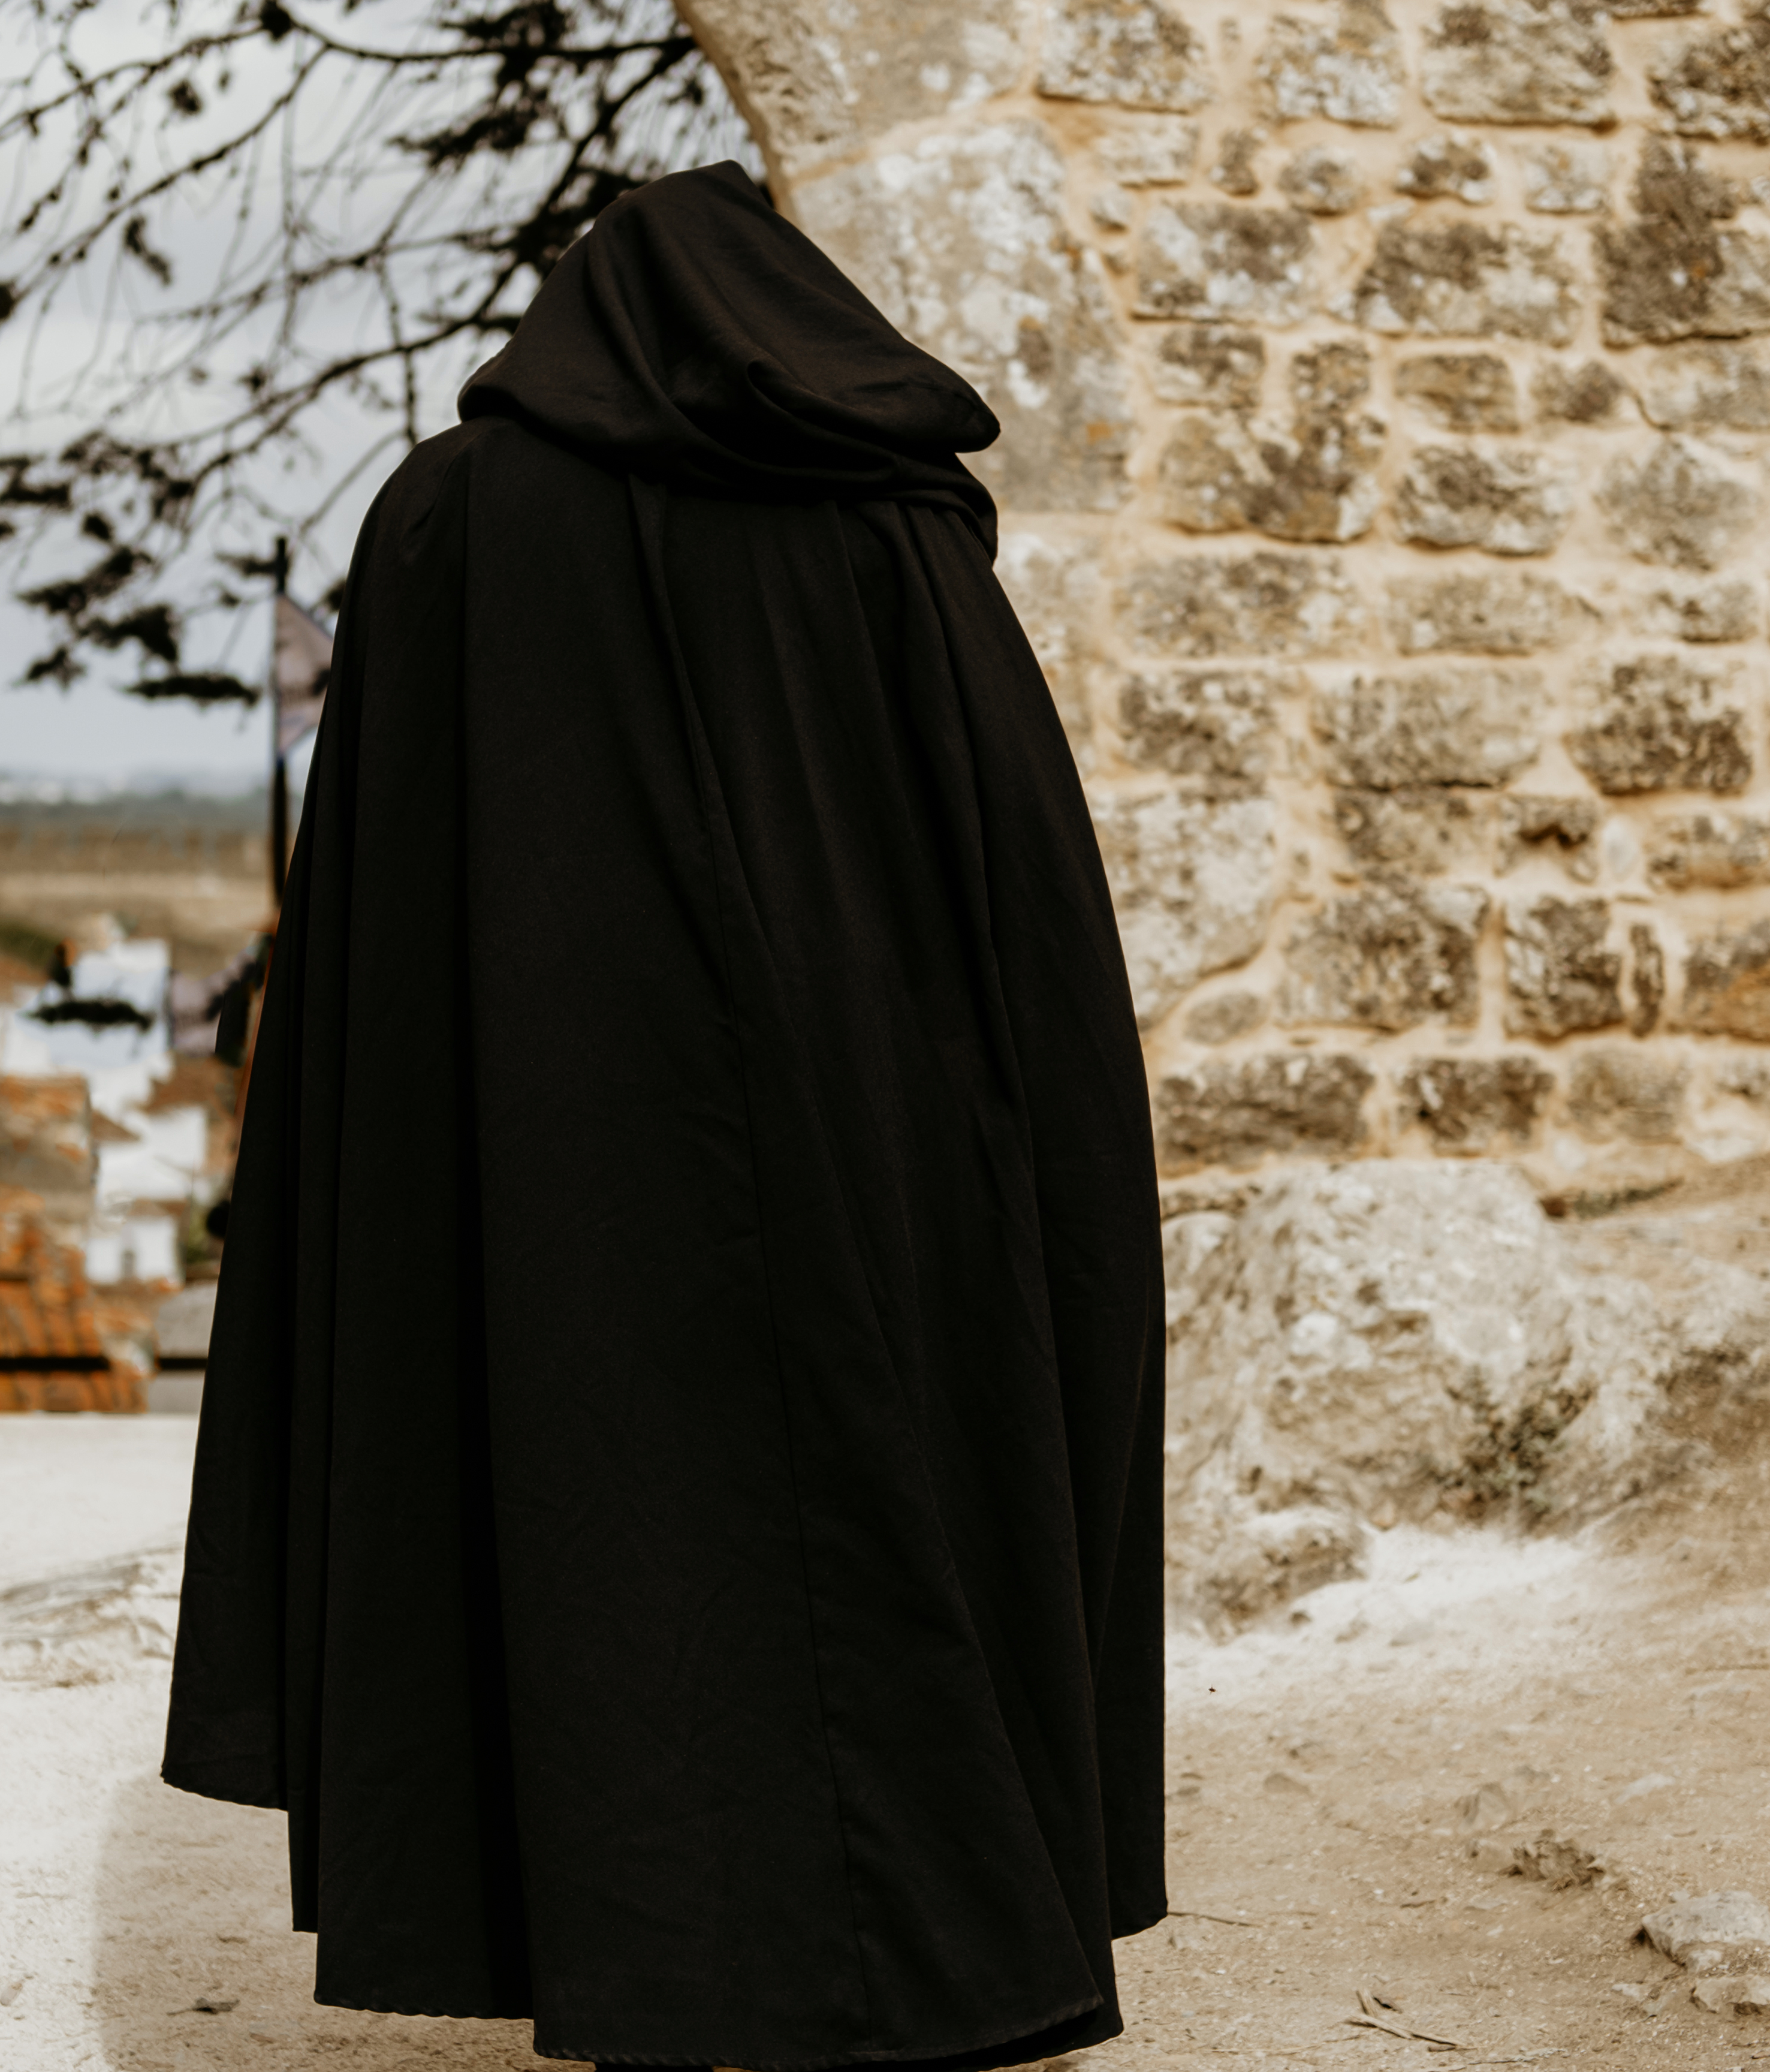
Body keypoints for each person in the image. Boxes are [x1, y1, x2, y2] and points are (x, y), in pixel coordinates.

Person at [161, 161, 1165, 2072]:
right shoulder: (896, 523)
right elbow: (1019, 896)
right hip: (886, 1153)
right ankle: (934, 1952)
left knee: (601, 1541)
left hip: (556, 1171)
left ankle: (632, 1956)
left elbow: (375, 925)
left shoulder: (451, 521)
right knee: (884, 1521)